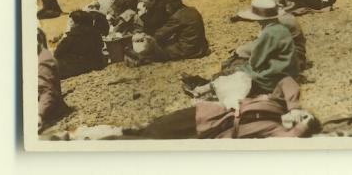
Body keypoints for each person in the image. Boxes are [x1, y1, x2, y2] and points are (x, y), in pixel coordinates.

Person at [128, 75, 317, 139]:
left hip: (215, 132)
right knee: (159, 127)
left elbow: (289, 140)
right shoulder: (278, 104)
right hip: (210, 113)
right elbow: (287, 81)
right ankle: (131, 131)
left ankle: (127, 136)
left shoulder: (276, 130)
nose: (295, 119)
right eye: (302, 115)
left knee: (157, 140)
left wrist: (303, 126)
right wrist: (294, 107)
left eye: (298, 122)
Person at [234, 0, 299, 94]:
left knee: (236, 68)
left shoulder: (268, 32)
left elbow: (256, 61)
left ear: (260, 19)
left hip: (274, 78)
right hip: (288, 72)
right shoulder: (282, 29)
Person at [129, 0, 209, 65]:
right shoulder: (192, 10)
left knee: (154, 48)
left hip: (188, 50)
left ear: (172, 4)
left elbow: (159, 35)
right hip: (201, 47)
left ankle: (141, 58)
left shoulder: (177, 16)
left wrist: (146, 35)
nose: (166, 8)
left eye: (167, 5)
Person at [53, 10, 107, 78]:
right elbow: (100, 45)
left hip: (77, 68)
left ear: (77, 23)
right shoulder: (96, 33)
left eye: (71, 21)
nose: (70, 23)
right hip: (96, 64)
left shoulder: (72, 36)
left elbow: (57, 53)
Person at [37, 29, 69, 132]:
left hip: (47, 110)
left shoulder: (43, 60)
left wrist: (39, 114)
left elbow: (46, 91)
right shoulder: (42, 56)